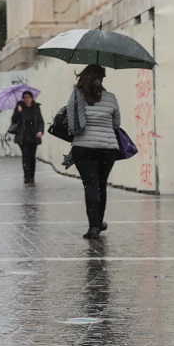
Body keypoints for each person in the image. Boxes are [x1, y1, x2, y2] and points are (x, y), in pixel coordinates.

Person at [66, 64, 121, 240]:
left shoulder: (76, 97)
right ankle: (99, 222)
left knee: (90, 185)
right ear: (101, 79)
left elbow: (71, 120)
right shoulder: (111, 98)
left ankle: (93, 228)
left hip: (83, 147)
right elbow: (116, 124)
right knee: (101, 184)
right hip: (107, 148)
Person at [10, 90, 45, 186]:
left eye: (28, 97)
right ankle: (27, 177)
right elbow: (13, 119)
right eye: (24, 97)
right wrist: (19, 112)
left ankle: (32, 177)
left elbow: (41, 121)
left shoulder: (36, 107)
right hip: (23, 137)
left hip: (34, 137)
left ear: (31, 98)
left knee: (32, 157)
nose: (26, 99)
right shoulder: (19, 107)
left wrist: (40, 131)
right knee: (26, 156)